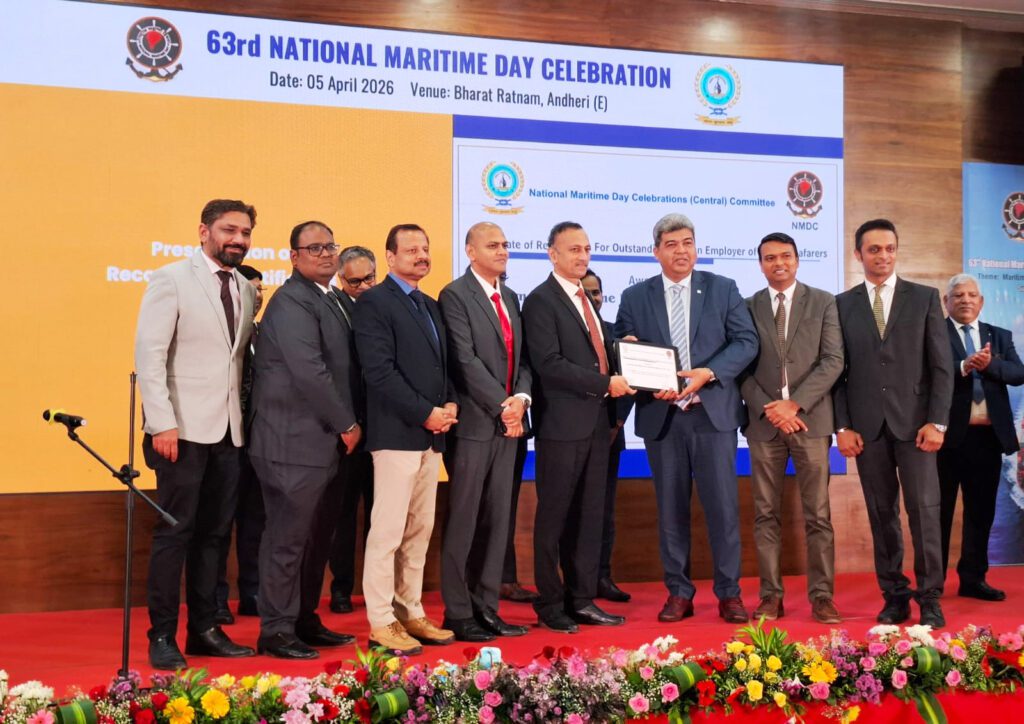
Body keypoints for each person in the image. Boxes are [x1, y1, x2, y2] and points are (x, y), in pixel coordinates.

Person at [615, 213, 757, 624]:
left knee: (723, 510)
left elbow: (746, 341)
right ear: (656, 250)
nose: (682, 250)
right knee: (670, 510)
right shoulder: (635, 297)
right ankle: (678, 592)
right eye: (673, 244)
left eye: (688, 242)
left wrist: (707, 373)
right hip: (663, 418)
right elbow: (625, 348)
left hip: (712, 414)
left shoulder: (723, 288)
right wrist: (643, 380)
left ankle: (729, 594)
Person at [134, 198, 258, 669]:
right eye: (229, 230)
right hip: (179, 430)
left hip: (229, 432)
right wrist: (161, 421)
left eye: (245, 232)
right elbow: (150, 355)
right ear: (203, 231)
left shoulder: (245, 288)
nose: (238, 240)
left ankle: (205, 629)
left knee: (213, 535)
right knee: (174, 534)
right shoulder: (171, 278)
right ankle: (162, 635)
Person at [247, 220, 361, 659]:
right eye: (314, 248)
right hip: (290, 442)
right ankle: (275, 630)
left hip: (320, 444)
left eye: (330, 246)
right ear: (293, 257)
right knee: (287, 540)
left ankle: (303, 618)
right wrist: (347, 424)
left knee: (316, 539)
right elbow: (310, 371)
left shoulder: (328, 297)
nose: (325, 254)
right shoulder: (292, 300)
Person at [833, 218, 953, 628]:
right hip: (868, 431)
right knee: (881, 514)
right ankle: (895, 596)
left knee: (925, 513)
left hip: (918, 428)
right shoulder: (842, 304)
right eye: (873, 249)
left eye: (889, 248)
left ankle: (931, 598)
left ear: (897, 251)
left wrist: (937, 422)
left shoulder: (923, 298)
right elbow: (838, 372)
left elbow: (942, 367)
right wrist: (842, 427)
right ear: (858, 254)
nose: (882, 256)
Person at [521, 221, 635, 633]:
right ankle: (551, 604)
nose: (582, 256)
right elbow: (549, 364)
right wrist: (607, 383)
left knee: (588, 517)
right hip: (561, 427)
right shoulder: (540, 301)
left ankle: (581, 598)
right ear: (552, 253)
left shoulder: (586, 298)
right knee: (554, 518)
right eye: (573, 249)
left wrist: (627, 354)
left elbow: (598, 355)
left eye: (586, 248)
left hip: (596, 427)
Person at [354, 223, 458, 654]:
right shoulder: (374, 303)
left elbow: (442, 369)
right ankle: (381, 621)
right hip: (396, 435)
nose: (421, 255)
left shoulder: (431, 306)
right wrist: (425, 413)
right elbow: (378, 372)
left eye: (425, 248)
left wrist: (449, 406)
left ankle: (410, 611)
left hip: (432, 438)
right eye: (411, 249)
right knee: (388, 531)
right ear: (390, 257)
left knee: (419, 530)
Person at [739, 232, 844, 623]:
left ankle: (822, 597)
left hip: (810, 421)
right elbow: (741, 368)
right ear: (761, 264)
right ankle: (770, 597)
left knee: (818, 514)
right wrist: (772, 409)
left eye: (785, 256)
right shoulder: (746, 307)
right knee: (765, 514)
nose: (778, 263)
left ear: (797, 260)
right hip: (764, 424)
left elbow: (833, 361)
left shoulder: (823, 301)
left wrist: (794, 403)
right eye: (769, 258)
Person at [438, 221, 532, 642]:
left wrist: (521, 401)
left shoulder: (510, 296)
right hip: (476, 426)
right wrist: (502, 405)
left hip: (510, 425)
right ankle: (458, 612)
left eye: (505, 244)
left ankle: (487, 607)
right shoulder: (455, 295)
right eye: (492, 245)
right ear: (470, 251)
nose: (502, 251)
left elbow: (524, 361)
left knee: (498, 521)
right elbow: (465, 359)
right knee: (465, 521)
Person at [938, 273, 1024, 601]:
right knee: (939, 513)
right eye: (958, 295)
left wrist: (988, 367)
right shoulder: (934, 333)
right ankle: (932, 583)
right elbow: (928, 374)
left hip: (987, 440)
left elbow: (1018, 373)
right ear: (947, 302)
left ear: (982, 301)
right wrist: (963, 366)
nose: (965, 300)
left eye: (972, 294)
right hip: (944, 440)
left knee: (981, 512)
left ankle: (973, 579)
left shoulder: (998, 336)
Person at [326, 246, 378, 615]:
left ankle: (379, 590)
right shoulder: (330, 309)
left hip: (384, 430)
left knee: (382, 516)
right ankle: (341, 588)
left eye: (368, 279)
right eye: (354, 281)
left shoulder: (385, 305)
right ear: (341, 279)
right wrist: (345, 422)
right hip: (345, 431)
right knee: (342, 516)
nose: (362, 286)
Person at [215, 264, 265, 622]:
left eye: (261, 290)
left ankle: (252, 593)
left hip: (258, 444)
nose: (257, 295)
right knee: (218, 525)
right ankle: (217, 599)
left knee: (255, 524)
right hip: (222, 441)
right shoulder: (223, 335)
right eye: (251, 288)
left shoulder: (263, 335)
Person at [581, 268, 631, 603]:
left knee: (605, 511)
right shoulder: (562, 329)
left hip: (610, 437)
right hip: (572, 437)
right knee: (574, 511)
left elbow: (630, 385)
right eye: (586, 292)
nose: (593, 298)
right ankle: (577, 582)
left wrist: (615, 425)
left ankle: (602, 577)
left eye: (597, 292)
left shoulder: (616, 334)